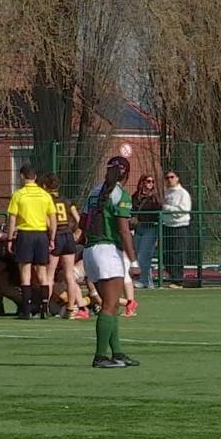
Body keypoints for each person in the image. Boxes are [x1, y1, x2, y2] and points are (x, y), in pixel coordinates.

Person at [82, 156, 140, 368]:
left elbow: (83, 222)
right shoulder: (120, 194)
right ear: (127, 174)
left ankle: (117, 352)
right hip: (107, 251)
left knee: (113, 303)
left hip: (91, 251)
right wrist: (133, 261)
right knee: (109, 305)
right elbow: (124, 230)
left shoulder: (94, 191)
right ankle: (100, 356)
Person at [6, 164, 57, 319]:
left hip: (25, 234)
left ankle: (27, 309)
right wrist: (52, 238)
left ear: (22, 176)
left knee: (25, 273)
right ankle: (44, 308)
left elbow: (12, 218)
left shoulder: (18, 195)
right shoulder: (45, 195)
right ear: (35, 177)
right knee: (42, 273)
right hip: (41, 235)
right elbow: (53, 219)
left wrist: (9, 238)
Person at [41, 173, 83, 319]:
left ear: (45, 186)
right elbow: (79, 219)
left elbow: (48, 222)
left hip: (56, 235)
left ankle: (45, 307)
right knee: (69, 275)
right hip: (67, 235)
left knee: (49, 275)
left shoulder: (46, 199)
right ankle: (71, 309)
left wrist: (50, 236)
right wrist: (77, 233)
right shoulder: (66, 200)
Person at [161, 170, 192, 289]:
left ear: (177, 178)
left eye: (172, 177)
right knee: (166, 254)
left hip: (180, 226)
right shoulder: (167, 192)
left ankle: (178, 280)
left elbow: (183, 210)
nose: (169, 179)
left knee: (178, 254)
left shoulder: (183, 193)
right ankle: (172, 277)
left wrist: (167, 208)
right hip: (167, 226)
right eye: (167, 177)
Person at [131, 174, 161, 289]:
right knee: (139, 255)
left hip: (150, 228)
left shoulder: (154, 198)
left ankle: (144, 281)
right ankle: (148, 283)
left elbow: (156, 213)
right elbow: (131, 209)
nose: (151, 183)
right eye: (148, 181)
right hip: (138, 228)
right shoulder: (135, 197)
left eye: (152, 182)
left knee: (144, 255)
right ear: (142, 182)